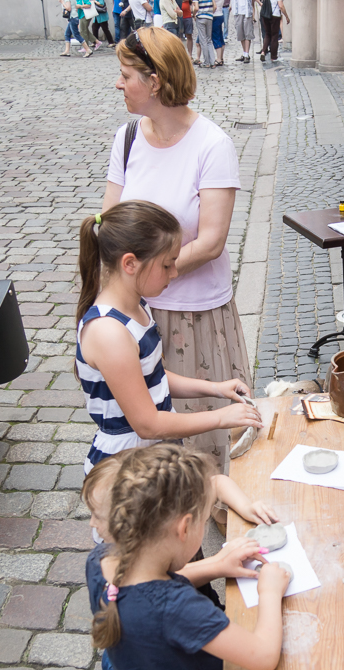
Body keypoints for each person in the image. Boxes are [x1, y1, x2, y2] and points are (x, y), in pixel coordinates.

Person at [88, 443, 292, 670]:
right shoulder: (178, 609)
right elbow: (263, 656)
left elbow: (148, 579)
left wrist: (215, 565)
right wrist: (271, 591)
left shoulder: (102, 561)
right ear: (185, 528)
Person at [105, 29, 251, 489]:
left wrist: (154, 274)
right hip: (139, 314)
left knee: (208, 434)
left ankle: (219, 522)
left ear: (155, 81)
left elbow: (211, 240)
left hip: (196, 314)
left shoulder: (212, 145)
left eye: (125, 75)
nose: (118, 84)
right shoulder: (127, 139)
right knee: (153, 441)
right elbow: (110, 224)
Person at [76, 201, 261, 475]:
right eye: (167, 264)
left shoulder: (137, 306)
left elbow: (154, 377)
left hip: (154, 453)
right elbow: (147, 423)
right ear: (130, 263)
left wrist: (215, 388)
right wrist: (221, 417)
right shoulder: (109, 333)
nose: (174, 273)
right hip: (128, 468)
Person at [193, 0, 215, 67]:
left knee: (203, 40)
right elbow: (215, 6)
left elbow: (196, 8)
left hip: (201, 17)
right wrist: (211, 13)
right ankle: (212, 62)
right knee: (209, 40)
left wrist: (194, 14)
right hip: (209, 17)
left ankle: (206, 62)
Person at [211, 1, 224, 66]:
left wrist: (211, 13)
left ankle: (218, 59)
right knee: (220, 37)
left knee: (216, 37)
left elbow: (214, 6)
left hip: (215, 15)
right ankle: (221, 57)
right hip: (220, 14)